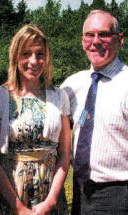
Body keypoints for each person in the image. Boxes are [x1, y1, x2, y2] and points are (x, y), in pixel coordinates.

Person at [0, 24, 71, 215]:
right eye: (26, 53)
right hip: (9, 200)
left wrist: (50, 201)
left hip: (50, 199)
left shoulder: (60, 96)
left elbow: (64, 155)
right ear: (15, 56)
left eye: (40, 54)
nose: (34, 61)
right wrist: (19, 208)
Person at [61, 10, 128, 215]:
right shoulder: (72, 85)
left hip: (118, 195)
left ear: (120, 39)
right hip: (80, 193)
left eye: (104, 34)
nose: (96, 41)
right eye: (90, 35)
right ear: (83, 41)